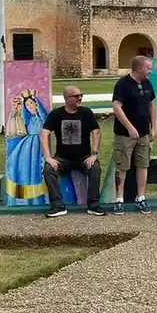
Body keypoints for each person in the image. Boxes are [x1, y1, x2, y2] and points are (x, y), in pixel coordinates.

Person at [40, 86, 104, 217]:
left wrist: (94, 154)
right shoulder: (56, 114)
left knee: (95, 167)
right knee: (48, 169)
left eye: (81, 95)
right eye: (76, 96)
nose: (80, 98)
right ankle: (57, 206)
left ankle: (93, 205)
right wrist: (48, 157)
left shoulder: (86, 113)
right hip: (62, 158)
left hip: (83, 157)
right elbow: (44, 133)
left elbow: (96, 132)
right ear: (67, 98)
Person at [111, 55, 157, 215]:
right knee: (122, 166)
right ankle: (119, 199)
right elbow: (117, 107)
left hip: (143, 134)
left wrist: (153, 127)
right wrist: (129, 127)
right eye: (148, 68)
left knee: (142, 165)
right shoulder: (122, 84)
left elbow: (152, 104)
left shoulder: (147, 84)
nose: (150, 71)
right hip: (125, 135)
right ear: (139, 68)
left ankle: (141, 197)